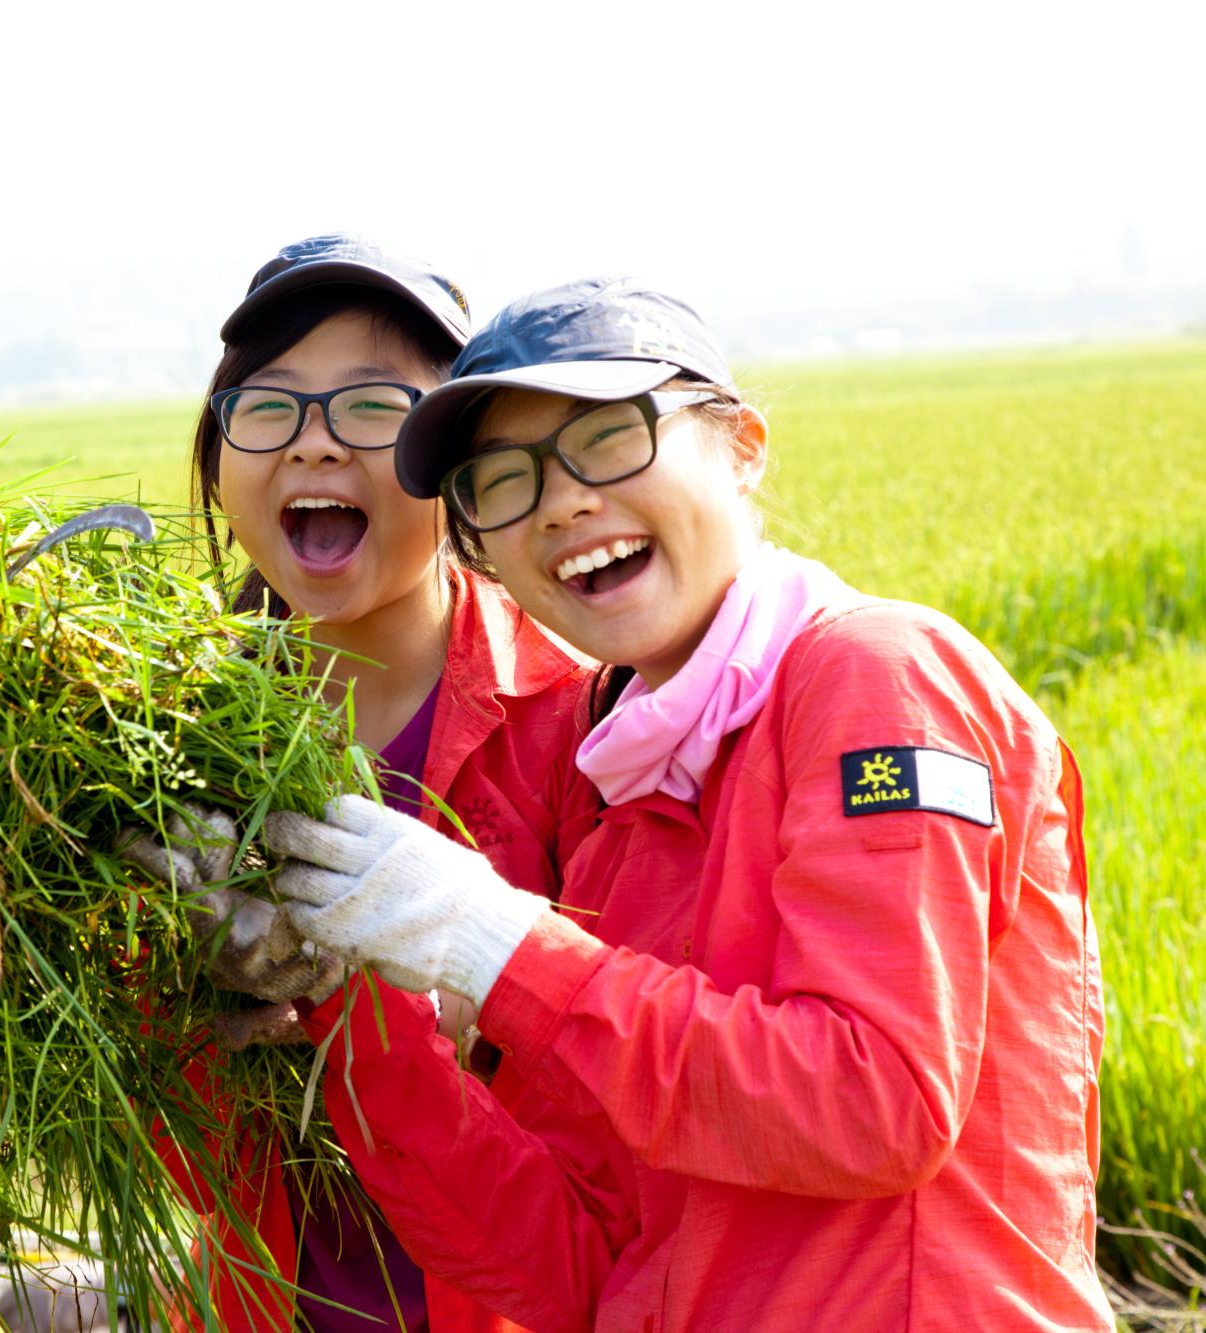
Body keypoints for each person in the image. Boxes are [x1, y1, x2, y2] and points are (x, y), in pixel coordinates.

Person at [247, 277, 1112, 1330]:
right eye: (501, 481)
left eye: (606, 440)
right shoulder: (624, 805)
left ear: (741, 445)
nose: (561, 503)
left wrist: (494, 939)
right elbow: (567, 1263)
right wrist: (349, 990)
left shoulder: (874, 677)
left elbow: (875, 1099)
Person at [128, 237, 594, 1333]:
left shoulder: (581, 729)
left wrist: (361, 1003)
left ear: (457, 466)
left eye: (375, 407)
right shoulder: (153, 738)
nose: (314, 445)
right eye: (270, 408)